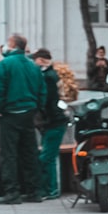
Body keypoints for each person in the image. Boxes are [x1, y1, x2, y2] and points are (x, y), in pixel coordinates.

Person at [0, 34, 46, 204]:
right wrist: (37, 108)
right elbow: (41, 90)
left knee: (9, 154)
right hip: (28, 113)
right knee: (29, 152)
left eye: (8, 43)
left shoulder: (4, 65)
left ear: (13, 45)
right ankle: (34, 191)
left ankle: (12, 192)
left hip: (10, 113)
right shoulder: (32, 66)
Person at [32, 49, 66, 200]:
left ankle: (51, 189)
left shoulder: (48, 77)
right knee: (48, 156)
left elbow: (49, 102)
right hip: (53, 122)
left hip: (53, 123)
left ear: (40, 60)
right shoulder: (50, 74)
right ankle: (50, 188)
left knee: (47, 157)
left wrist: (44, 119)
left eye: (36, 60)